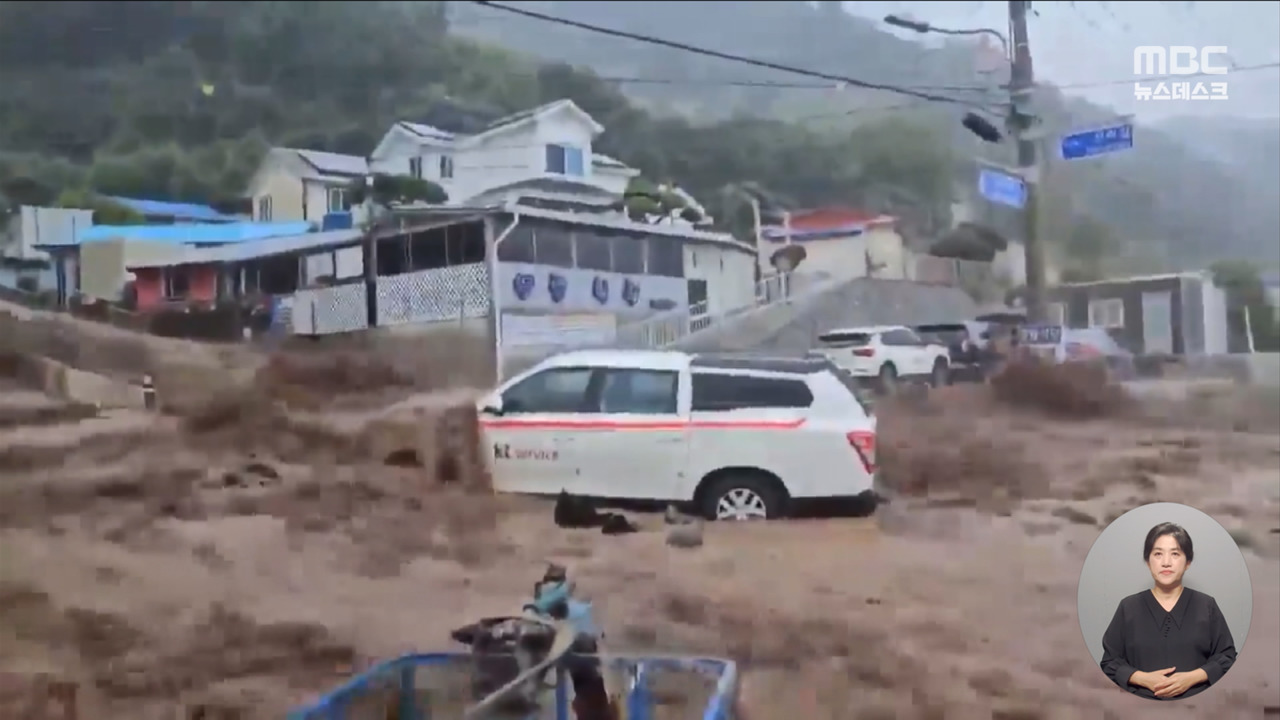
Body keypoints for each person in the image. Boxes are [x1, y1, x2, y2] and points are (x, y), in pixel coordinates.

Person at [1099, 522, 1237, 700]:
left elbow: (1227, 657)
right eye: (1157, 554)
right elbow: (1110, 662)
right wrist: (1142, 679)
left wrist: (1191, 678)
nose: (1166, 562)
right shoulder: (1128, 607)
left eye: (1175, 554)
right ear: (1148, 562)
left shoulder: (1206, 605)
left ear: (1188, 562)